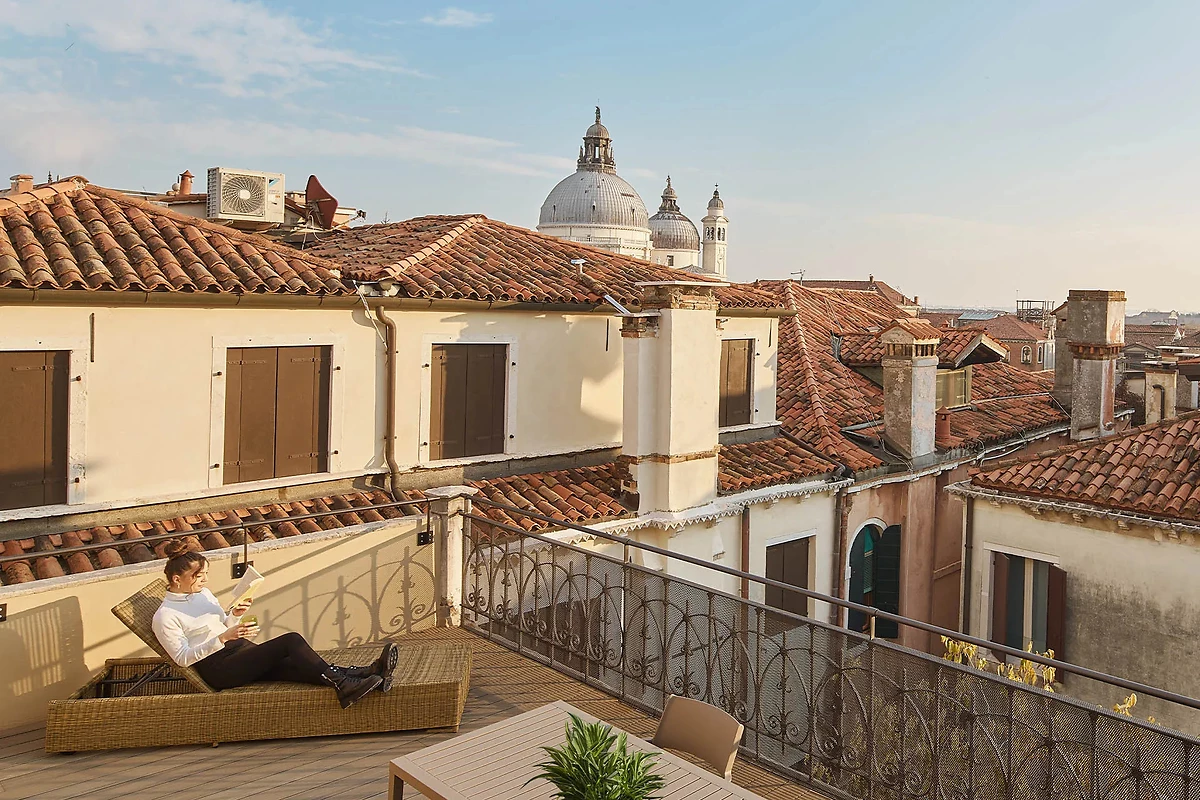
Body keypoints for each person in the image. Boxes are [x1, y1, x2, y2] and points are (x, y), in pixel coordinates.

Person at [151, 539, 396, 709]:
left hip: (239, 651)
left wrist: (234, 615)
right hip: (220, 669)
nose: (205, 580)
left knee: (293, 665)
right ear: (176, 579)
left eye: (205, 574)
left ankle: (369, 674)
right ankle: (345, 685)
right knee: (291, 641)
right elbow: (182, 658)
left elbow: (220, 623)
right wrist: (223, 638)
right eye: (199, 576)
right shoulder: (165, 616)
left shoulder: (202, 594)